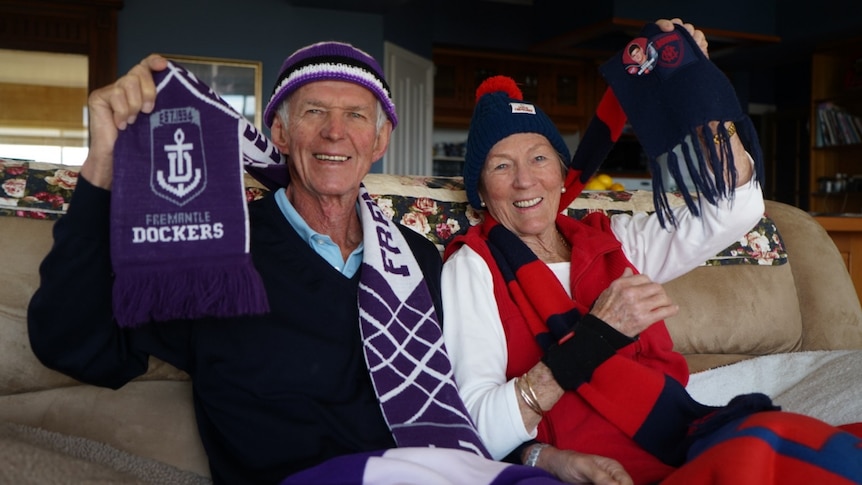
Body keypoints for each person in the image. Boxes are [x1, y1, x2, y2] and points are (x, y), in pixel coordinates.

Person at [25, 40, 635, 485]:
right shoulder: (215, 247)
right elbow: (75, 346)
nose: (335, 132)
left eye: (357, 115)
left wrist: (539, 458)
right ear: (282, 135)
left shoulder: (421, 261)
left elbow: (455, 410)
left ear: (380, 141)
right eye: (314, 111)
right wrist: (102, 165)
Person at [441, 19, 862, 485]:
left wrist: (692, 85)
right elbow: (474, 424)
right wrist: (592, 346)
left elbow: (736, 208)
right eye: (502, 166)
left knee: (810, 449)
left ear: (562, 174)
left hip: (675, 434)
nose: (525, 180)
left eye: (539, 158)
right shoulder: (472, 267)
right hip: (586, 461)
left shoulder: (613, 240)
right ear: (480, 189)